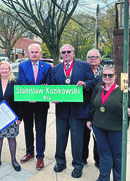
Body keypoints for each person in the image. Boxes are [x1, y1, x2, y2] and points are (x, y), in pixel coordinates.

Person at [51, 44, 96, 179]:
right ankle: (60, 162)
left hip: (78, 109)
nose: (65, 54)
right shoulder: (56, 69)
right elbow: (52, 86)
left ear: (73, 52)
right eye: (63, 52)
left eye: (68, 51)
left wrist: (85, 84)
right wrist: (53, 97)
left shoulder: (83, 66)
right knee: (60, 138)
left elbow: (92, 81)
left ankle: (78, 165)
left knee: (77, 140)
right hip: (62, 110)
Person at [87, 66, 130, 181]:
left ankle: (118, 178)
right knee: (104, 153)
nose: (107, 77)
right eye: (105, 75)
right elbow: (93, 106)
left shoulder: (123, 91)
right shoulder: (98, 89)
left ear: (116, 76)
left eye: (110, 75)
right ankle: (103, 178)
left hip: (116, 129)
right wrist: (90, 120)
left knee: (117, 156)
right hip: (99, 127)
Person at [19, 43, 51, 170]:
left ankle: (40, 156)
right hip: (27, 104)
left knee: (40, 130)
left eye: (36, 52)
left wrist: (44, 88)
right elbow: (22, 83)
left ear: (40, 54)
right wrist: (30, 95)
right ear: (28, 54)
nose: (34, 54)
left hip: (41, 105)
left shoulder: (47, 67)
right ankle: (29, 152)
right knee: (28, 129)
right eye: (32, 52)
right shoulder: (22, 66)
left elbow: (48, 82)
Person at [0, 61, 23, 172]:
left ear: (9, 70)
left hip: (12, 116)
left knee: (11, 138)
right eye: (2, 69)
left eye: (6, 69)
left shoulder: (15, 82)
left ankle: (13, 160)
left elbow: (20, 101)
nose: (4, 71)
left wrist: (20, 117)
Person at [82, 49, 102, 168]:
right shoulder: (82, 71)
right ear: (86, 59)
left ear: (99, 59)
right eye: (90, 57)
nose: (92, 59)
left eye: (95, 57)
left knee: (98, 138)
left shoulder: (105, 73)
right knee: (84, 137)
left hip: (99, 110)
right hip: (83, 108)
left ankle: (98, 160)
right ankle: (83, 158)